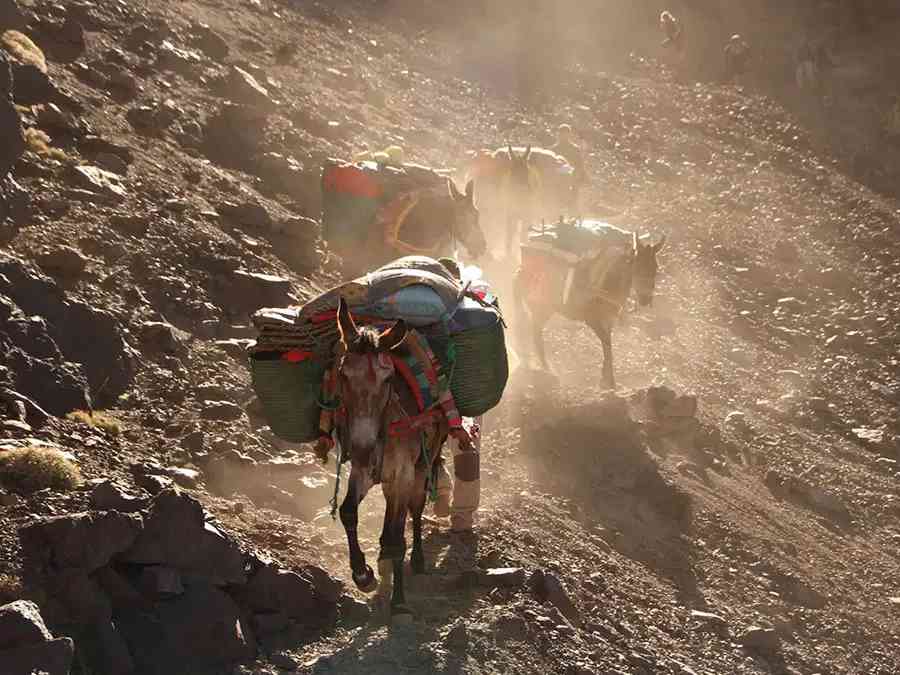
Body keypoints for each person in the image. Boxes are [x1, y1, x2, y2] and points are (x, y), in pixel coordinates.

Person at [433, 257, 482, 532]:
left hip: (435, 390)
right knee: (465, 450)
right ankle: (460, 513)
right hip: (462, 393)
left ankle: (445, 496)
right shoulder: (469, 310)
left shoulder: (420, 310)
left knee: (437, 446)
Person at [551, 124, 585, 212]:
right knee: (556, 201)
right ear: (558, 134)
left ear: (569, 134)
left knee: (573, 201)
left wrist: (580, 177)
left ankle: (572, 218)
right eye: (561, 133)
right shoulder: (554, 149)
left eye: (565, 133)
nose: (563, 135)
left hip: (571, 178)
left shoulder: (574, 148)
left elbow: (579, 164)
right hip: (557, 180)